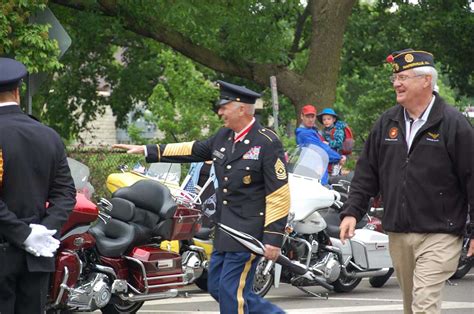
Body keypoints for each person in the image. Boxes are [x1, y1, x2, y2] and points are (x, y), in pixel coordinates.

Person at [113, 80, 289, 314]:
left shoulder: (266, 142)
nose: (220, 112)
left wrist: (273, 238)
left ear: (242, 108)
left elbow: (279, 193)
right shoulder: (224, 136)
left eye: (224, 106)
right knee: (217, 287)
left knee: (230, 293)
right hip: (225, 228)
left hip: (248, 232)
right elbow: (192, 149)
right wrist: (148, 150)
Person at [339, 49, 473, 314]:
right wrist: (352, 211)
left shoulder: (454, 124)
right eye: (395, 78)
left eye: (403, 77)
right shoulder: (386, 122)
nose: (397, 84)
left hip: (440, 233)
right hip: (399, 233)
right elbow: (367, 172)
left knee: (424, 301)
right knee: (412, 305)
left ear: (426, 81)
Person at [0, 58, 77, 312]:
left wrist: (22, 234)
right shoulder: (48, 135)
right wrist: (41, 232)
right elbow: (65, 193)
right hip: (37, 255)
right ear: (18, 92)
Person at [295, 104, 344, 184]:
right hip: (313, 174)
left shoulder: (314, 131)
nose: (310, 119)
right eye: (307, 116)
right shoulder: (304, 133)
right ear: (302, 116)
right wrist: (339, 158)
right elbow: (322, 150)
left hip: (318, 172)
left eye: (312, 116)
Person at [317, 107, 349, 175]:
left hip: (337, 155)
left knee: (334, 174)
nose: (326, 121)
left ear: (334, 119)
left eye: (329, 119)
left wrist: (329, 144)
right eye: (324, 119)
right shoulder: (324, 131)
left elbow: (339, 143)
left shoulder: (338, 130)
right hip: (328, 155)